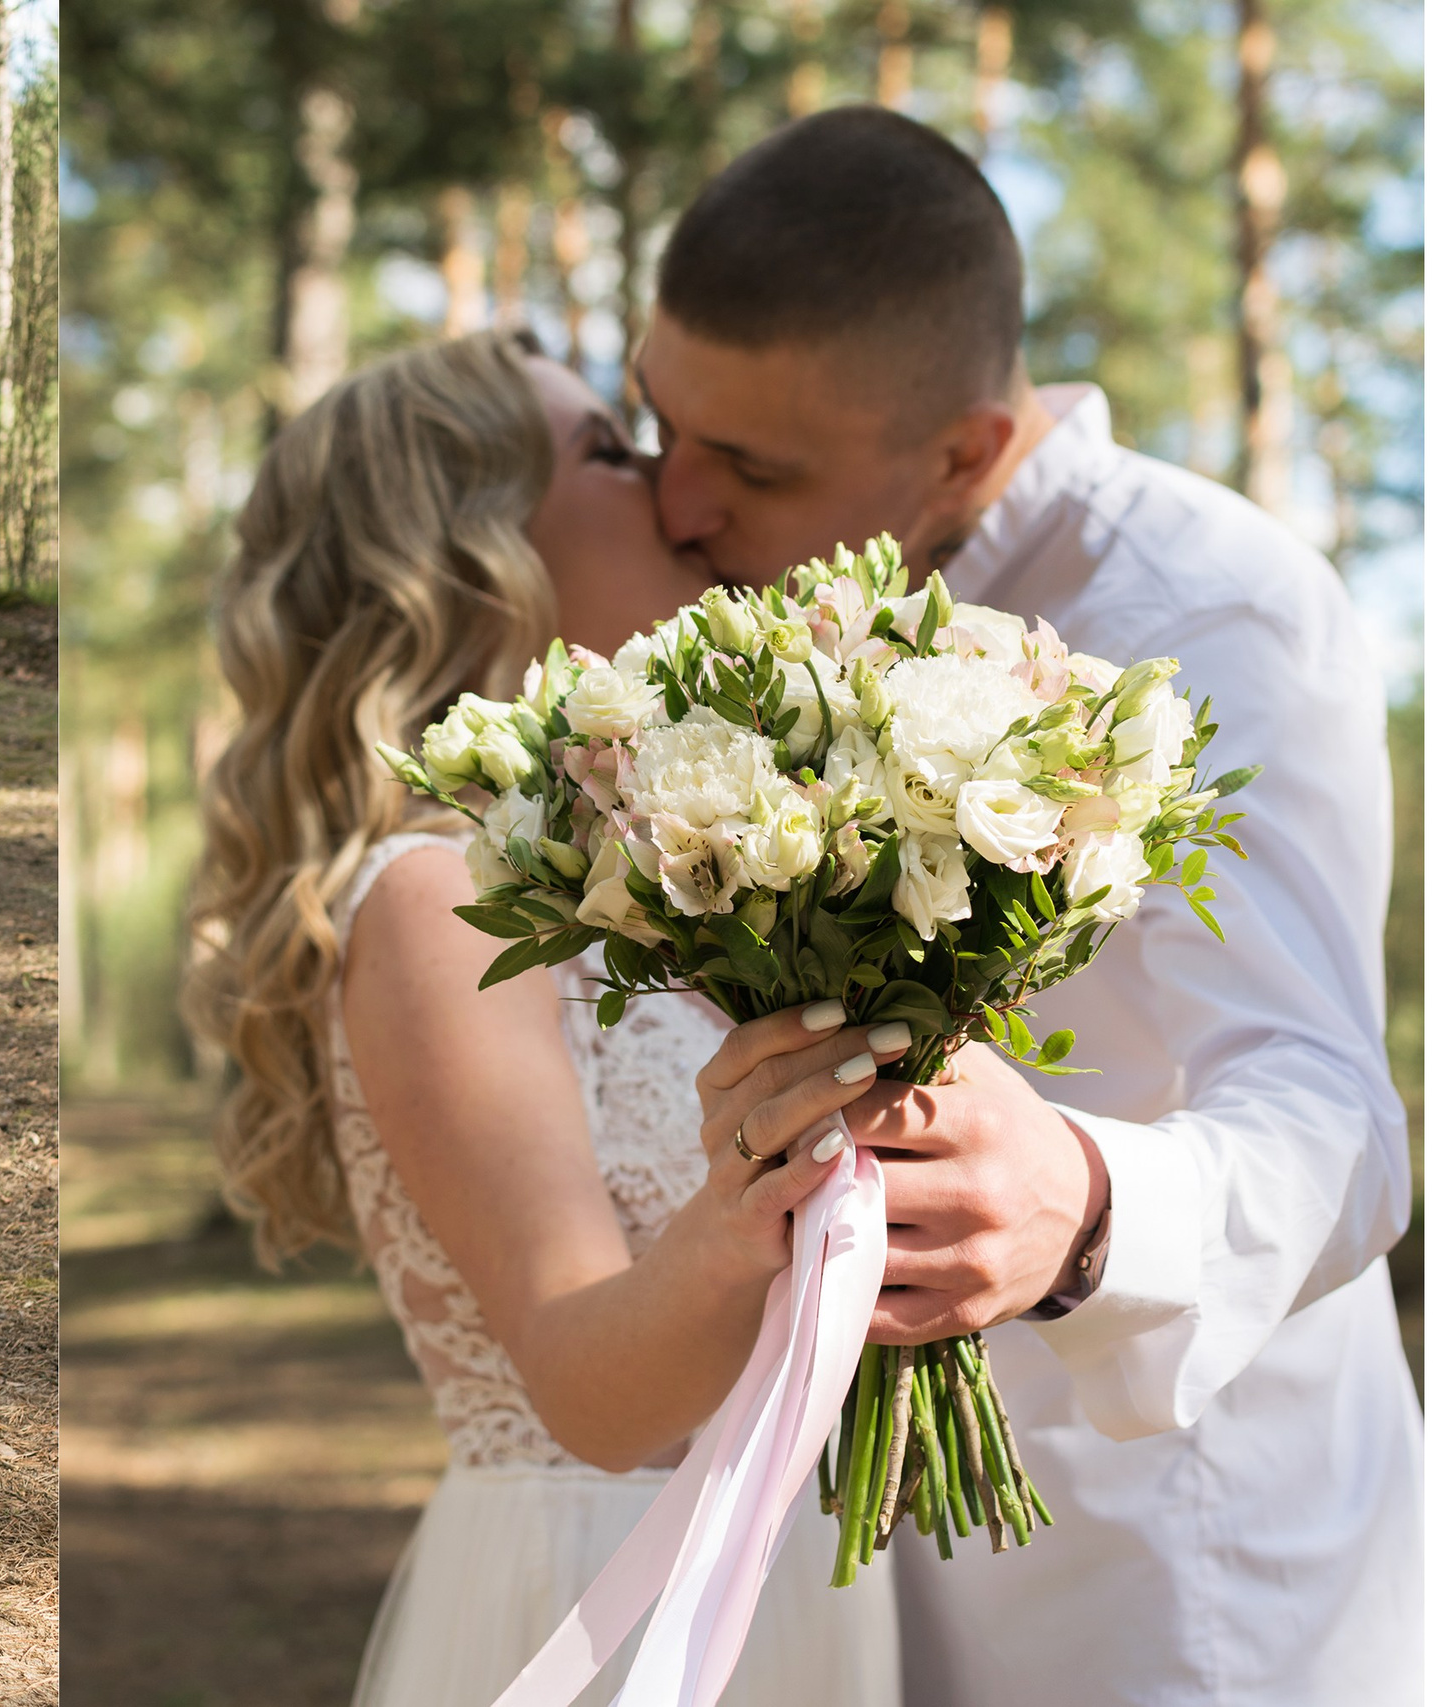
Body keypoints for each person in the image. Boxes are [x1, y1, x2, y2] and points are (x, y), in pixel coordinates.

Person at [644, 107, 1420, 1702]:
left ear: (970, 452)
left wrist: (1078, 1197)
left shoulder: (1209, 607)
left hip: (1180, 1584)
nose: (675, 506)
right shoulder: (750, 613)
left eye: (752, 465)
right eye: (658, 424)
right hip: (848, 1569)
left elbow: (1335, 1113)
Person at [184, 331, 903, 1707]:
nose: (672, 491)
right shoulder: (433, 896)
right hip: (605, 1591)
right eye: (609, 454)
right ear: (472, 545)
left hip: (776, 1572)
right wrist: (793, 1158)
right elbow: (590, 1381)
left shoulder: (660, 873)